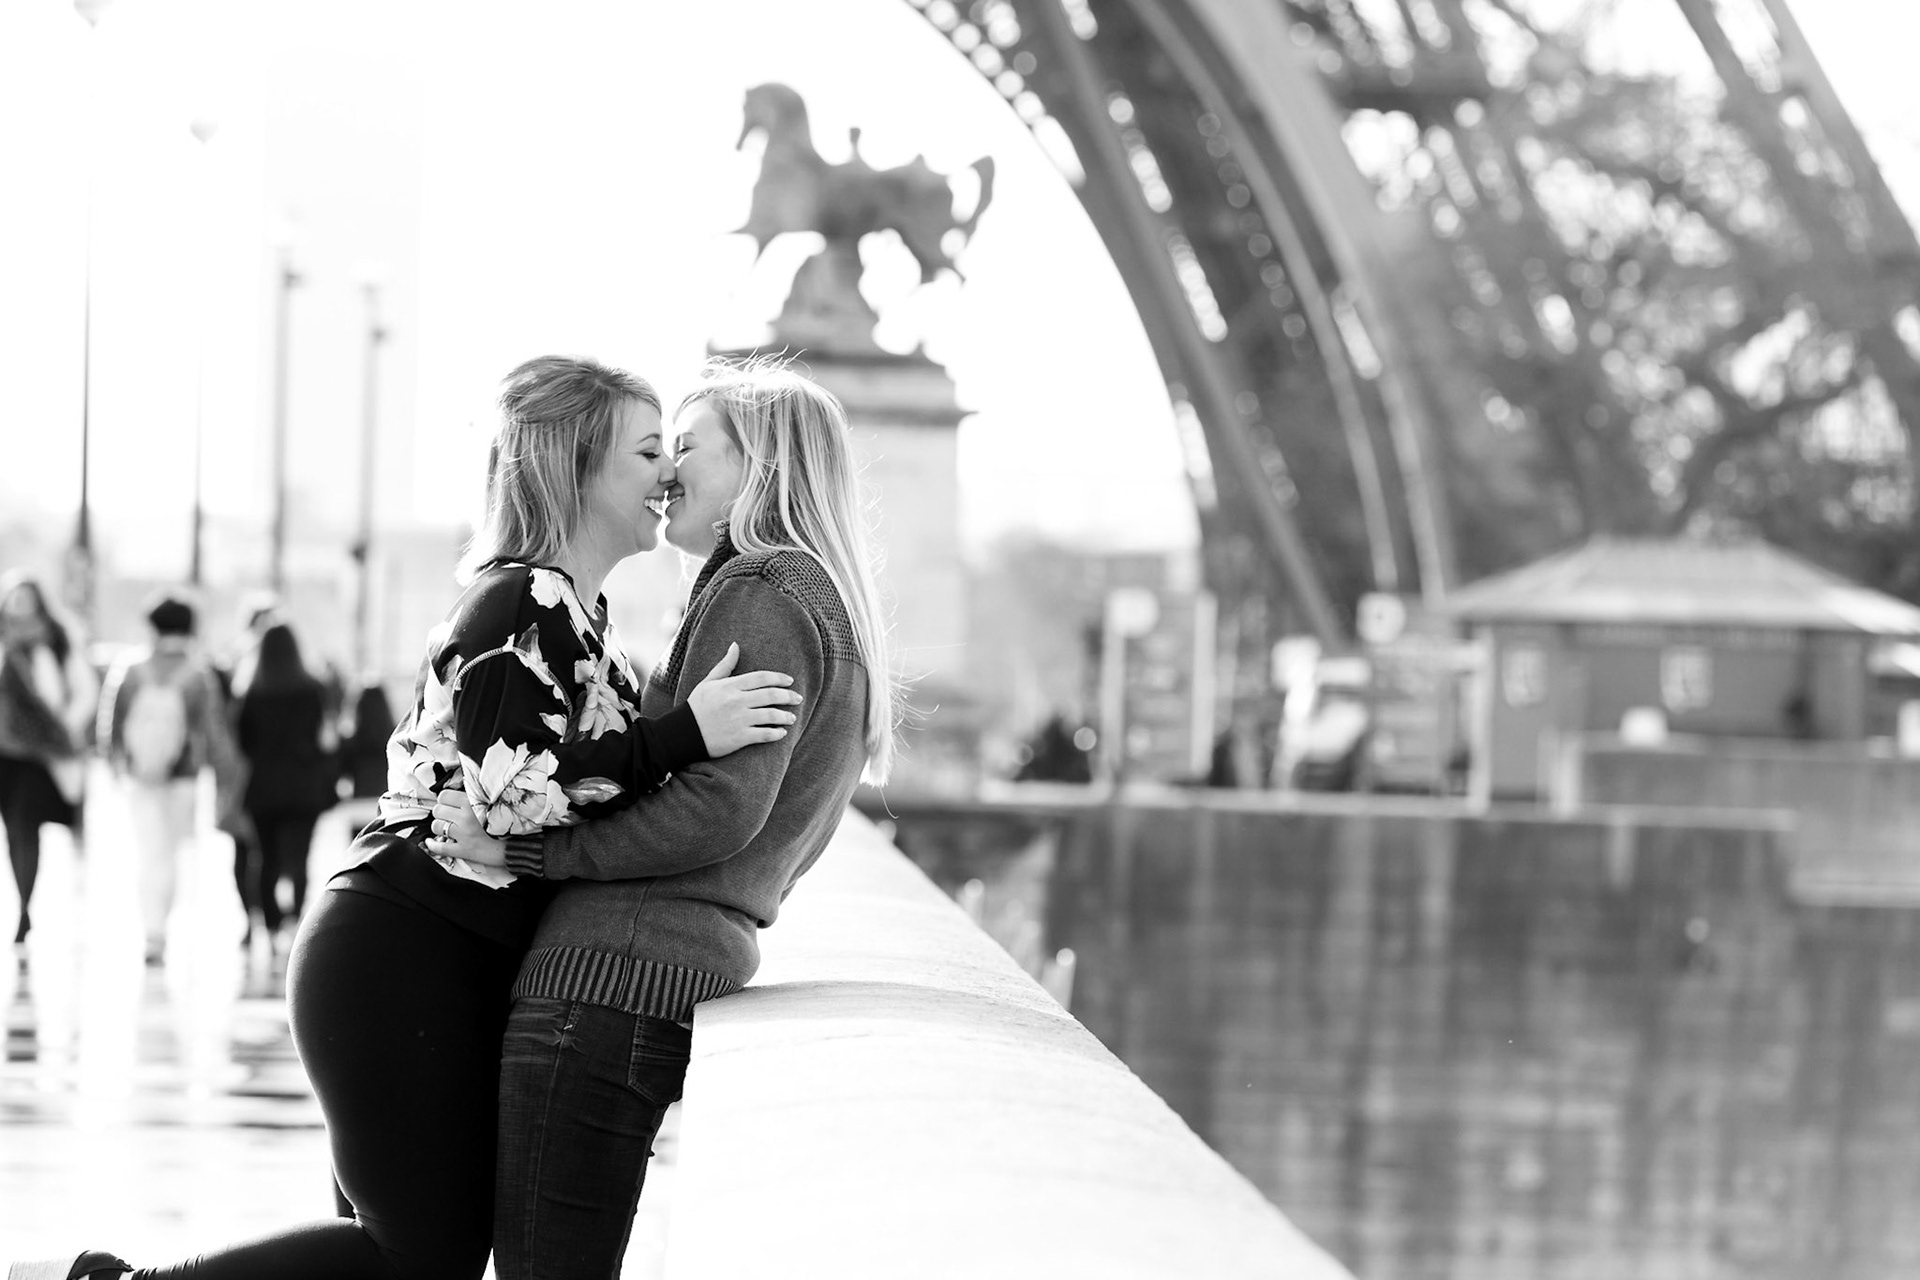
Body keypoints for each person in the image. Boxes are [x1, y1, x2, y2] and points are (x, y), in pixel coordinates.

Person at [8, 355, 802, 1280]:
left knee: (425, 1254)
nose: (667, 474)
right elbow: (515, 788)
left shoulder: (579, 616)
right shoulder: (521, 598)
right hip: (400, 951)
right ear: (575, 468)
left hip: (436, 958)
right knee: (420, 1256)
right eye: (648, 451)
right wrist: (683, 737)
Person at [427, 355, 898, 1279]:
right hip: (665, 967)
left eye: (688, 446)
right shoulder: (820, 603)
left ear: (760, 468)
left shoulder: (760, 592)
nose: (669, 471)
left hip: (608, 975)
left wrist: (531, 854)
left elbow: (716, 813)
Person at [97, 593, 237, 966]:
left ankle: (152, 930)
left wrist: (116, 763)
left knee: (149, 852)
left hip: (139, 774)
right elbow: (213, 730)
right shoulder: (197, 673)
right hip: (184, 775)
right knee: (173, 854)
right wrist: (227, 778)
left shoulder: (129, 666)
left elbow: (109, 723)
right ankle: (163, 928)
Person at [0, 572, 95, 952]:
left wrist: (62, 731)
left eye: (26, 599)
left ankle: (25, 908)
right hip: (4, 753)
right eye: (14, 598)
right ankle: (22, 902)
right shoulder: (5, 644)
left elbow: (82, 691)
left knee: (25, 826)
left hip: (40, 755)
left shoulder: (55, 641)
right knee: (13, 830)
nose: (19, 606)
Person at [234, 622, 336, 953]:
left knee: (265, 859)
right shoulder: (312, 688)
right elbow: (324, 737)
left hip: (263, 786)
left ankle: (271, 923)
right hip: (304, 785)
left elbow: (244, 742)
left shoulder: (252, 690)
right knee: (300, 858)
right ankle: (294, 921)